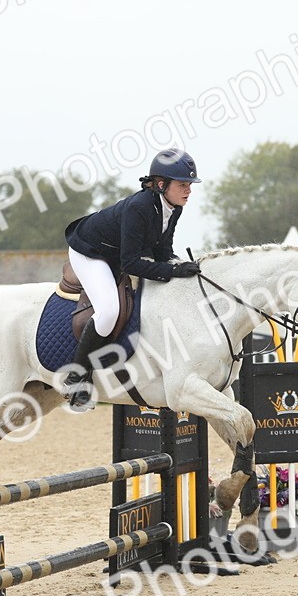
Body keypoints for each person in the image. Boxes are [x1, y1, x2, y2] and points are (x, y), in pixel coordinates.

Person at [61, 147, 203, 407]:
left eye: (190, 185)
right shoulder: (139, 208)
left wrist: (181, 266)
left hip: (115, 253)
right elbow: (132, 263)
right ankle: (77, 377)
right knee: (108, 312)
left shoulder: (174, 207)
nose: (189, 190)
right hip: (90, 252)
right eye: (183, 184)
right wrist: (172, 271)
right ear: (161, 184)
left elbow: (162, 250)